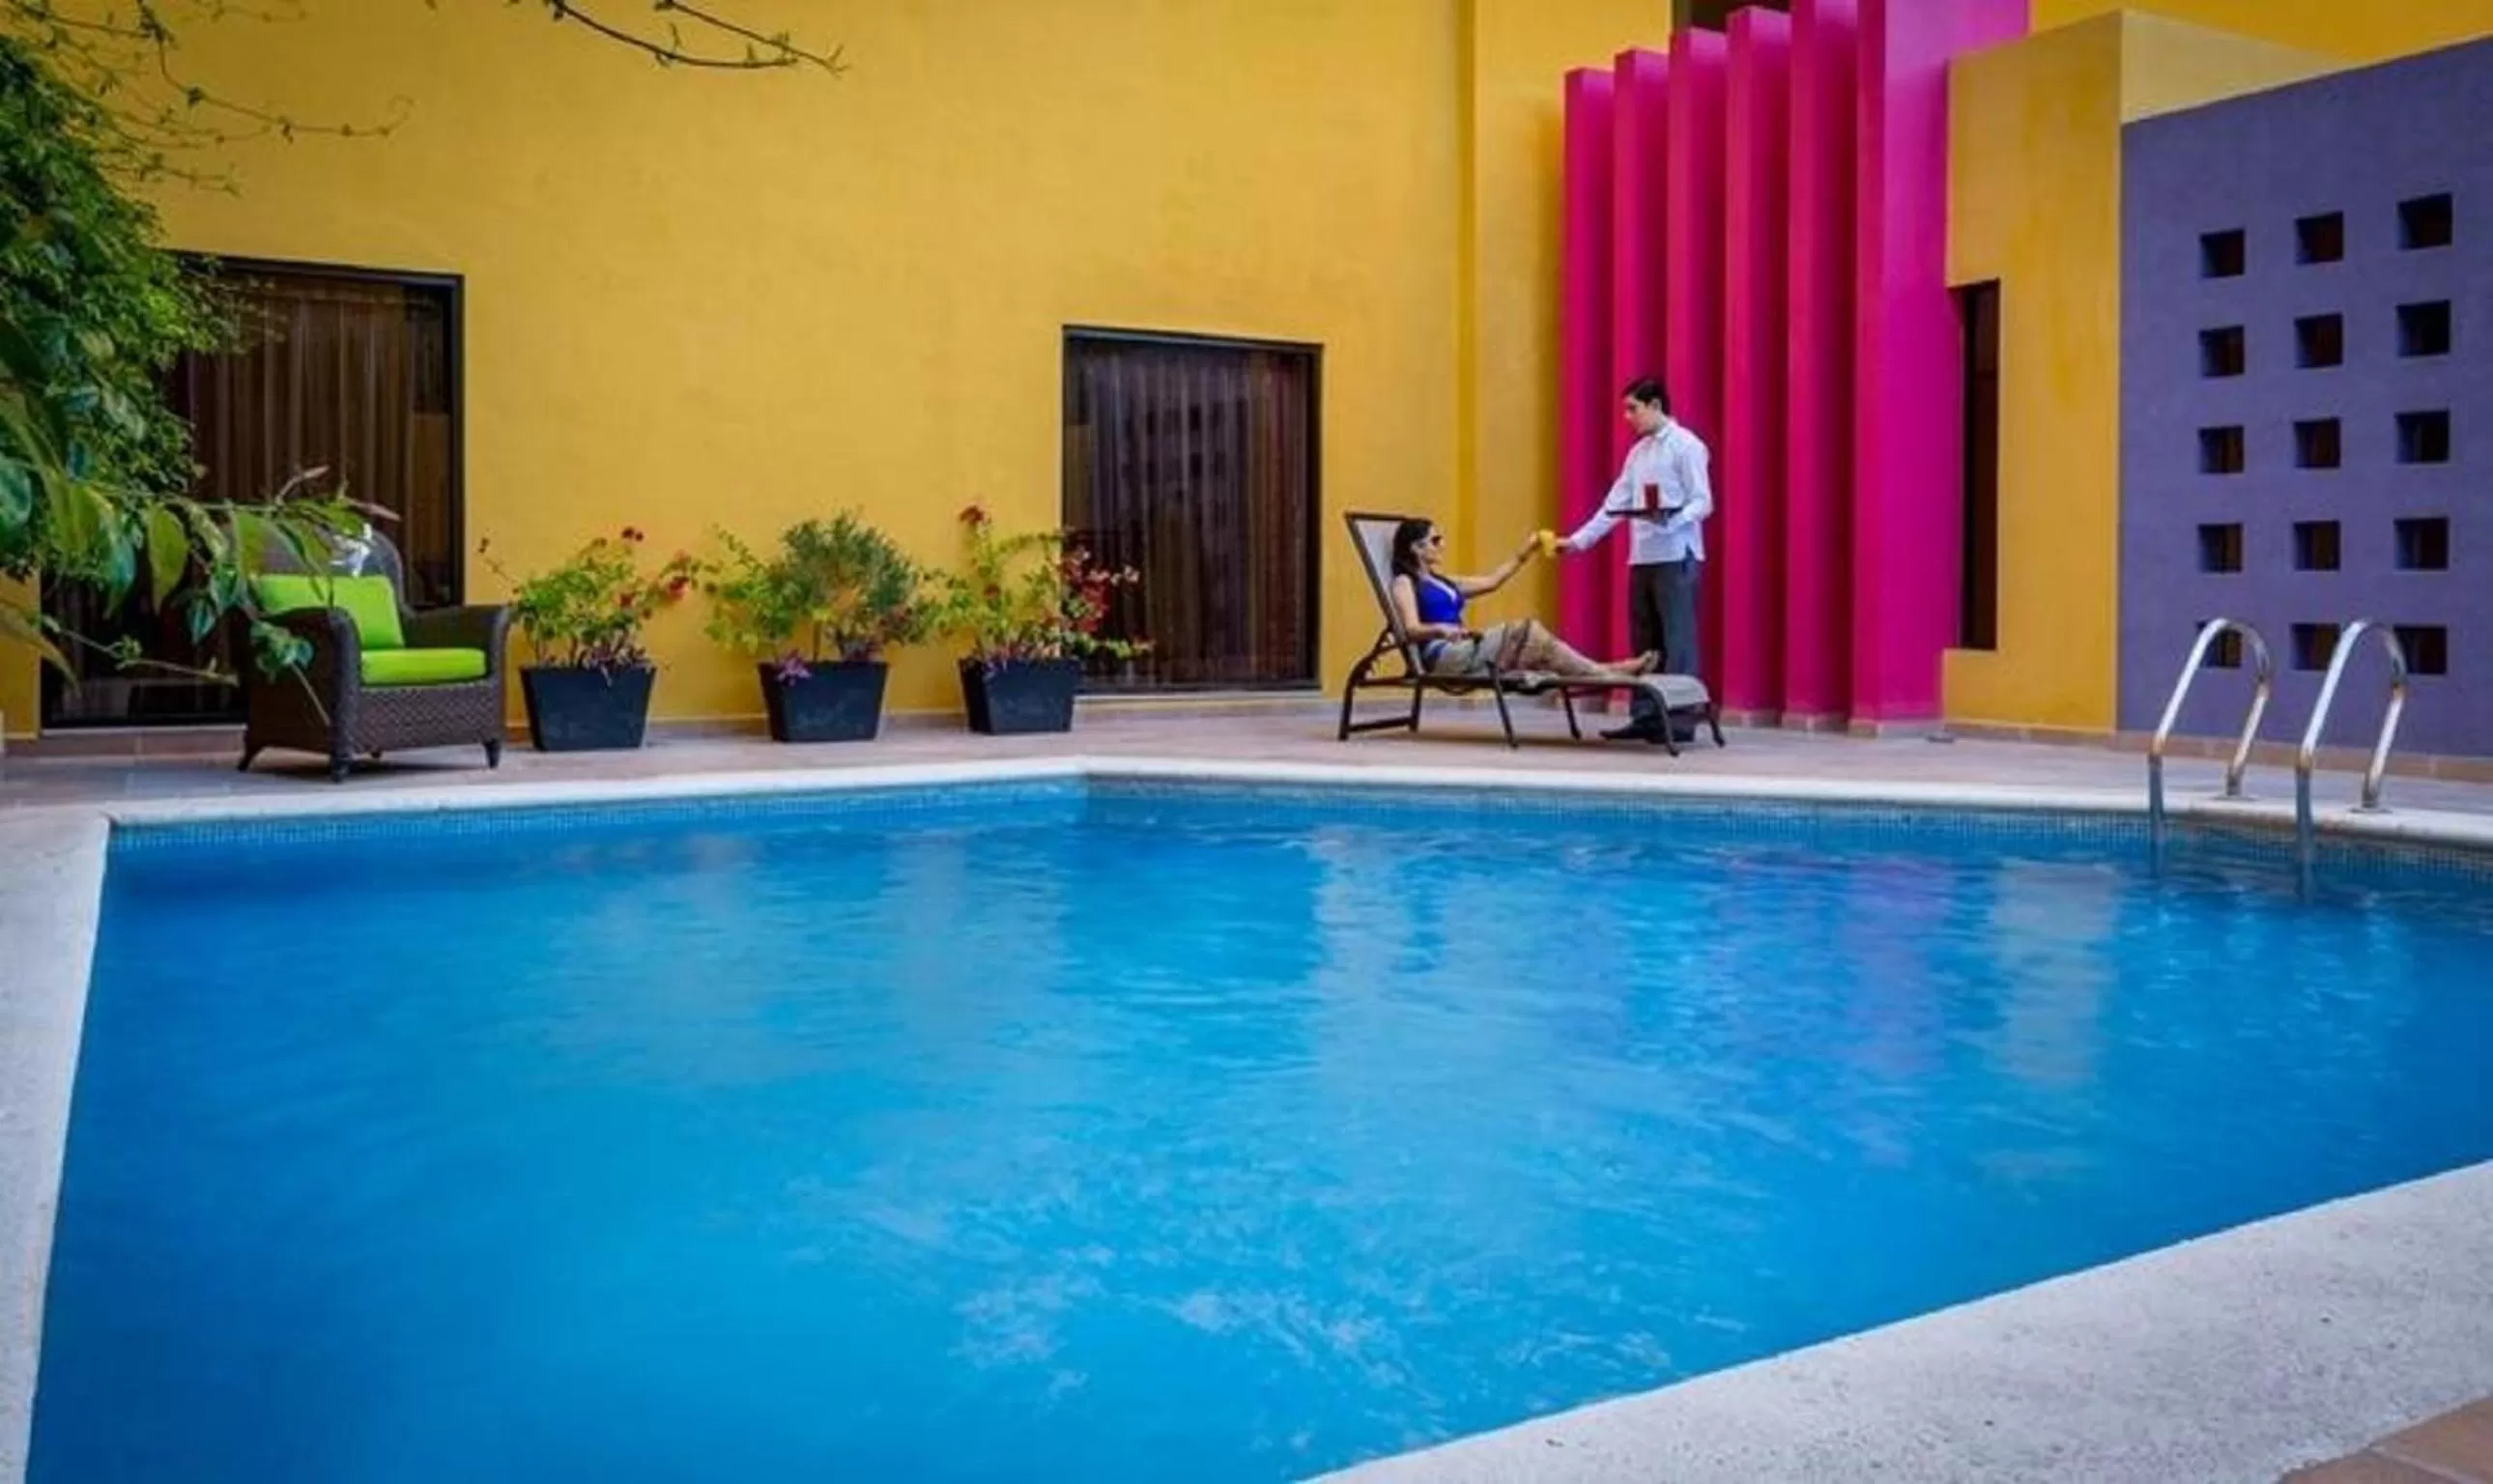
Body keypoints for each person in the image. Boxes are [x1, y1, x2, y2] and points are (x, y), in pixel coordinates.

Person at [1555, 376, 1712, 743]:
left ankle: (1679, 720)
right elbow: (1615, 505)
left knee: (1678, 641)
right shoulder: (1638, 453)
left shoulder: (1687, 446)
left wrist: (1675, 520)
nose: (1628, 416)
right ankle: (1646, 715)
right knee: (1645, 644)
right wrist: (1578, 541)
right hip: (1642, 557)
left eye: (1633, 408)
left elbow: (1703, 501)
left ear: (1656, 405)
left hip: (1677, 555)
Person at [1388, 517, 1656, 681]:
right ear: (1417, 548)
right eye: (1435, 540)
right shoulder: (1405, 583)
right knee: (1527, 631)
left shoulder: (1444, 581)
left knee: (1542, 649)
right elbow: (1411, 629)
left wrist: (1527, 551)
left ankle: (1608, 672)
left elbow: (1494, 581)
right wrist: (1439, 629)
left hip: (1466, 647)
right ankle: (1609, 672)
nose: (1441, 544)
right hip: (1445, 656)